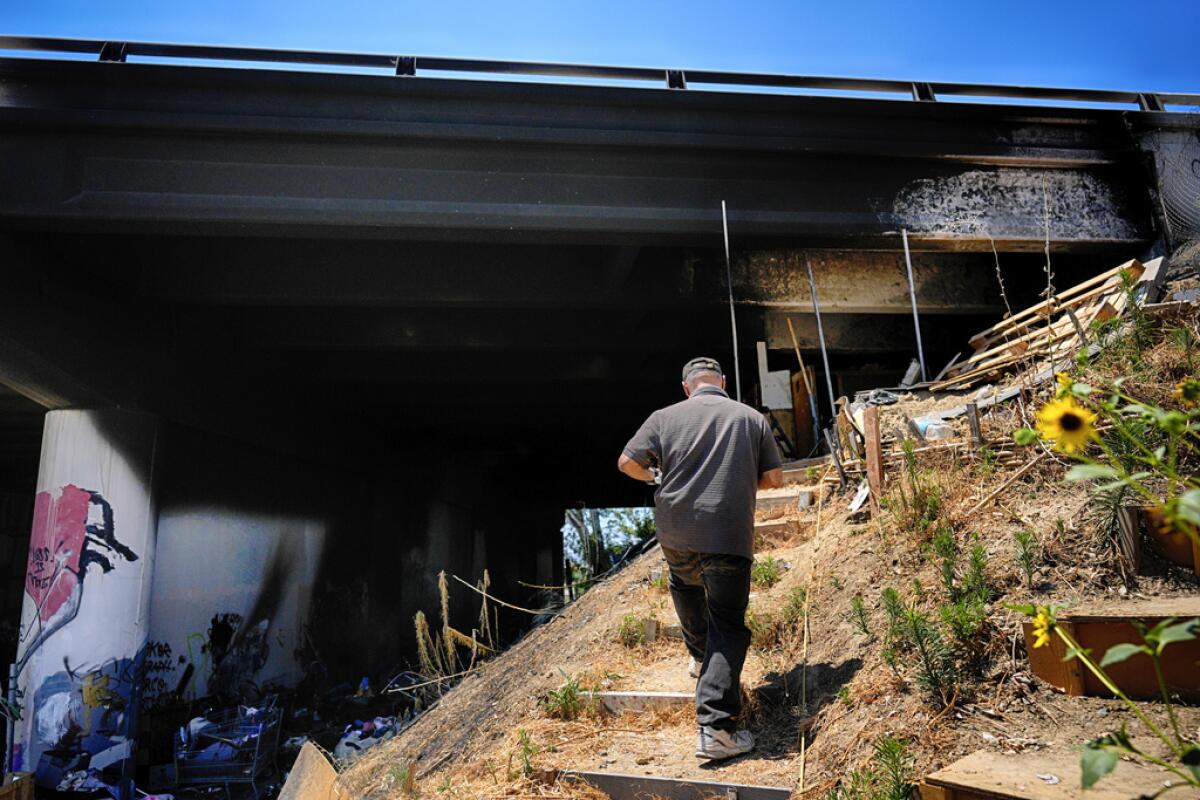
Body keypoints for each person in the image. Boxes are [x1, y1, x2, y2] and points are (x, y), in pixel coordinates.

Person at [617, 357, 783, 761]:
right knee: (727, 624)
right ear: (723, 383)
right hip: (726, 532)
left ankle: (698, 655)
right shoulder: (750, 418)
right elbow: (775, 479)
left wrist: (656, 477)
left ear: (687, 387)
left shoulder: (664, 416)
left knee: (684, 583)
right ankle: (717, 729)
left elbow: (626, 463)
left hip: (675, 532)